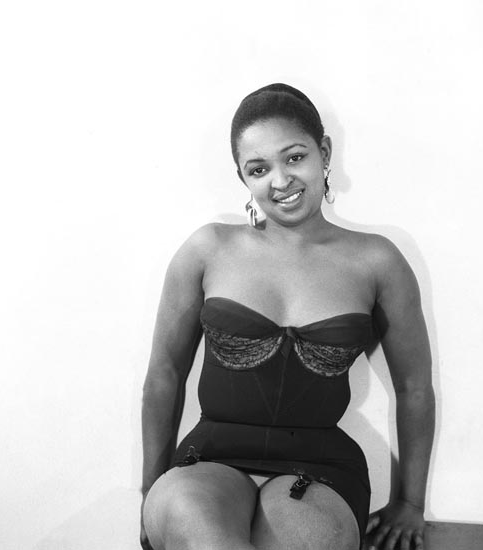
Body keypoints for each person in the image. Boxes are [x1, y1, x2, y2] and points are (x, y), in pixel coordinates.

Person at [140, 83, 435, 550]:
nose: (280, 181)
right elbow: (164, 374)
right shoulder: (207, 249)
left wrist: (411, 503)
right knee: (197, 529)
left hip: (321, 469)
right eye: (259, 169)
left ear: (324, 152)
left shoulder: (378, 262)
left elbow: (414, 387)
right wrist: (150, 490)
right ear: (243, 177)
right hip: (208, 459)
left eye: (294, 157)